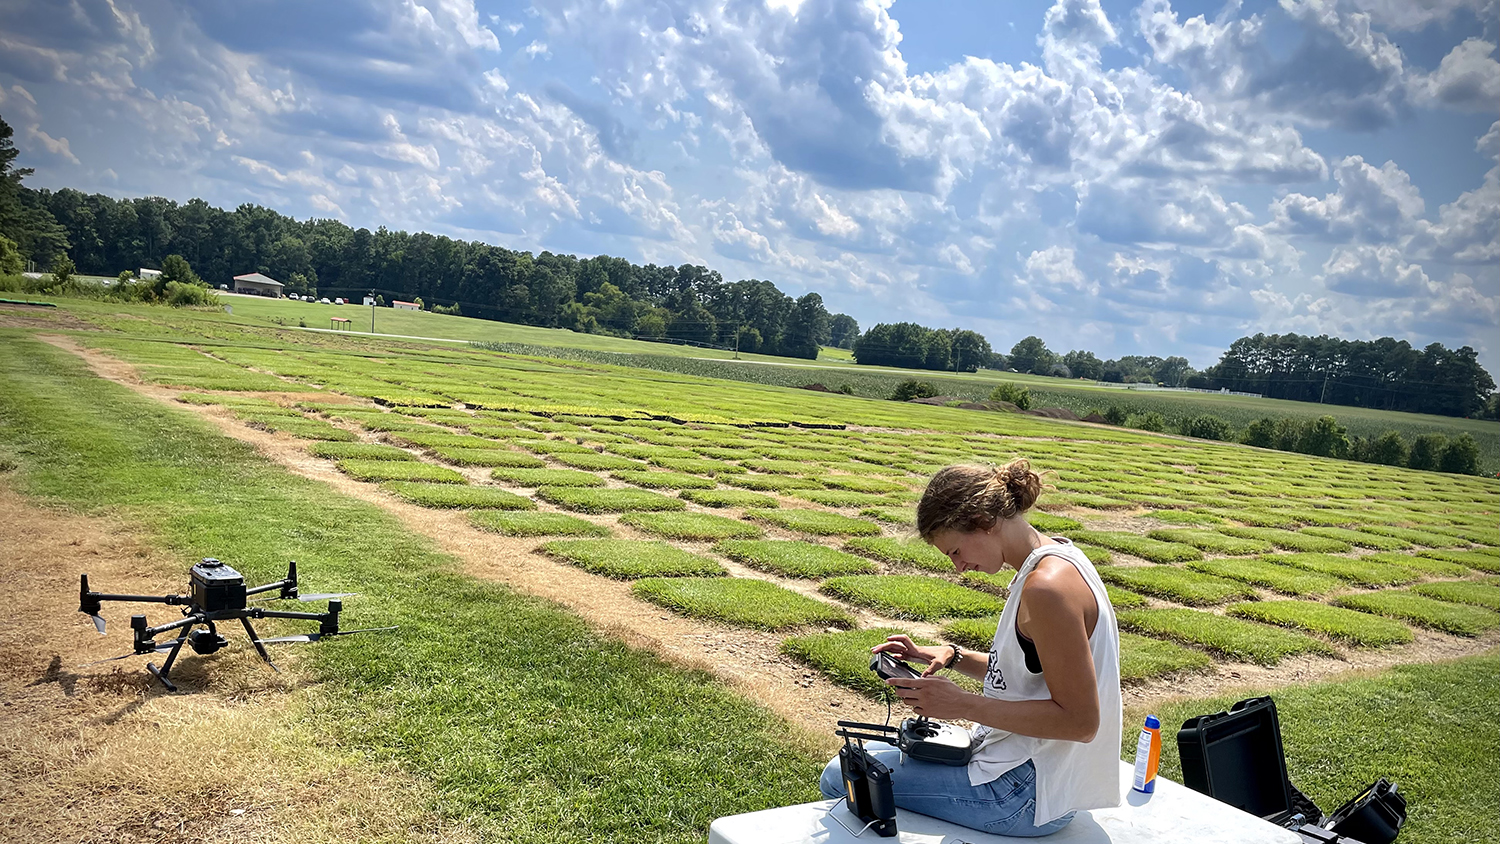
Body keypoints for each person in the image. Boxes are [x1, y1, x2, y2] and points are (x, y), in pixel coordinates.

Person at [818, 459, 1122, 837]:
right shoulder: (1057, 561)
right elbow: (1029, 676)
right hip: (1036, 775)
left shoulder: (1046, 590)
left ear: (983, 521)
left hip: (1025, 796)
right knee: (865, 761)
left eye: (955, 551)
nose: (959, 567)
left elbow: (1081, 722)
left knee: (840, 774)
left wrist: (962, 704)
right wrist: (953, 656)